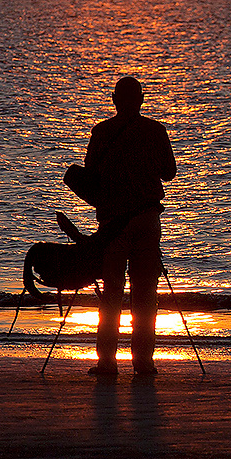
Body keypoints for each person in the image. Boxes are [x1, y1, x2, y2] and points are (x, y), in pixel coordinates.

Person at [64, 76, 176, 378]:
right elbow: (170, 173)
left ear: (114, 100)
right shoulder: (155, 131)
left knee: (112, 293)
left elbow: (91, 175)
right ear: (141, 100)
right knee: (146, 294)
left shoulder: (101, 132)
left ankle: (107, 363)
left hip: (113, 223)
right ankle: (143, 362)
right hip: (147, 219)